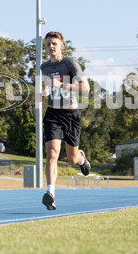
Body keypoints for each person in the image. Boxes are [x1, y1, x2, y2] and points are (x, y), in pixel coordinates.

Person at [39, 31, 91, 210]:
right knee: (52, 153)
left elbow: (85, 88)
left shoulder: (70, 63)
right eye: (48, 44)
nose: (51, 47)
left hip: (71, 115)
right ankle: (50, 193)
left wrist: (61, 85)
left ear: (61, 46)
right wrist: (45, 92)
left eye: (54, 43)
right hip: (53, 114)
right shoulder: (44, 67)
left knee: (71, 158)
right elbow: (48, 85)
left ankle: (81, 159)